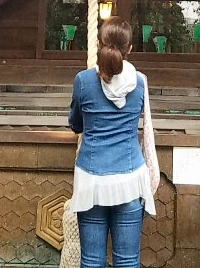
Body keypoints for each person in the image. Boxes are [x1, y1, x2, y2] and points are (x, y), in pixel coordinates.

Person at [67, 17, 156, 268]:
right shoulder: (140, 82)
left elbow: (76, 124)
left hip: (91, 179)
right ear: (130, 49)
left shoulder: (83, 80)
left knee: (91, 260)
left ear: (99, 43)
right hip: (130, 178)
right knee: (128, 261)